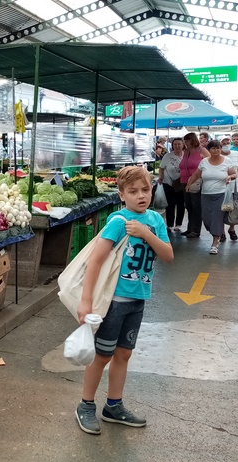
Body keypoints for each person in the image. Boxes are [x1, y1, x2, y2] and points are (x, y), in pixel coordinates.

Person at [74, 166, 173, 435]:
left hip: (138, 300)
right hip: (114, 302)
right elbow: (95, 261)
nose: (141, 196)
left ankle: (113, 406)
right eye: (133, 191)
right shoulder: (118, 221)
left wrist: (146, 233)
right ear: (121, 195)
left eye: (145, 190)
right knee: (102, 355)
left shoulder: (155, 220)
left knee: (124, 353)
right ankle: (86, 405)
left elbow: (168, 255)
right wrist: (86, 301)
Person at [186, 140, 236, 255]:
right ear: (209, 150)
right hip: (206, 194)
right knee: (206, 218)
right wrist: (189, 184)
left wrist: (230, 177)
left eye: (218, 148)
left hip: (221, 194)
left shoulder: (226, 161)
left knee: (216, 218)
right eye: (213, 148)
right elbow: (197, 174)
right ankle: (217, 232)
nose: (216, 150)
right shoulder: (204, 162)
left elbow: (234, 174)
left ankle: (214, 243)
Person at [178, 132, 209, 238]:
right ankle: (190, 228)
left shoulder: (201, 150)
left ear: (192, 140)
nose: (185, 143)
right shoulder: (186, 152)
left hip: (196, 182)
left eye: (187, 140)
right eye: (185, 141)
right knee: (189, 206)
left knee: (196, 206)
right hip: (184, 181)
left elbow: (210, 162)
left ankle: (195, 230)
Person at [220, 136, 238, 242]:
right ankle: (221, 232)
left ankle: (231, 228)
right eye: (224, 143)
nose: (226, 145)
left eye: (228, 143)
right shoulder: (217, 155)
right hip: (221, 187)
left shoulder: (236, 154)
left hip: (234, 187)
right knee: (221, 209)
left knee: (234, 209)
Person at [158, 137, 185, 233]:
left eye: (179, 144)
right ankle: (169, 225)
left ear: (183, 145)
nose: (177, 146)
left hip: (181, 184)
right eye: (175, 144)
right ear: (172, 146)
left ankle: (178, 224)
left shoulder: (186, 155)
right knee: (170, 204)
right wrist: (161, 177)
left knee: (181, 204)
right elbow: (161, 168)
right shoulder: (167, 156)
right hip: (168, 183)